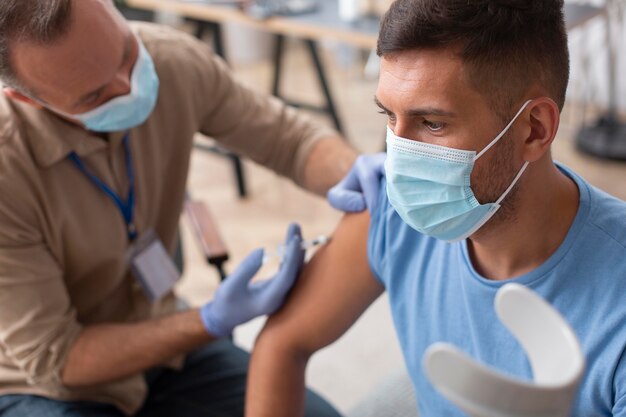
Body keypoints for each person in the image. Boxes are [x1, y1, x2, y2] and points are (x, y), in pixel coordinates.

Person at [0, 0, 385, 416]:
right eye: (95, 95)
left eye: (126, 53)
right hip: (47, 387)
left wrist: (361, 173)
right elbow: (56, 357)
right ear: (26, 99)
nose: (128, 85)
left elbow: (290, 140)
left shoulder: (170, 61)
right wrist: (211, 320)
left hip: (163, 346)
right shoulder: (8, 172)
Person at [246, 0, 626, 416]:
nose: (399, 160)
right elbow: (282, 342)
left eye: (432, 124)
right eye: (390, 117)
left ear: (534, 129)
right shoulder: (393, 209)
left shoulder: (614, 309)